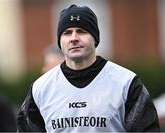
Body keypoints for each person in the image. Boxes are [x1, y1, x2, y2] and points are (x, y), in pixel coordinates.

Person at [17, 4, 160, 132]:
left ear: (95, 38)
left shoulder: (126, 83)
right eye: (67, 33)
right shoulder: (41, 88)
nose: (74, 38)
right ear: (60, 41)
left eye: (81, 31)